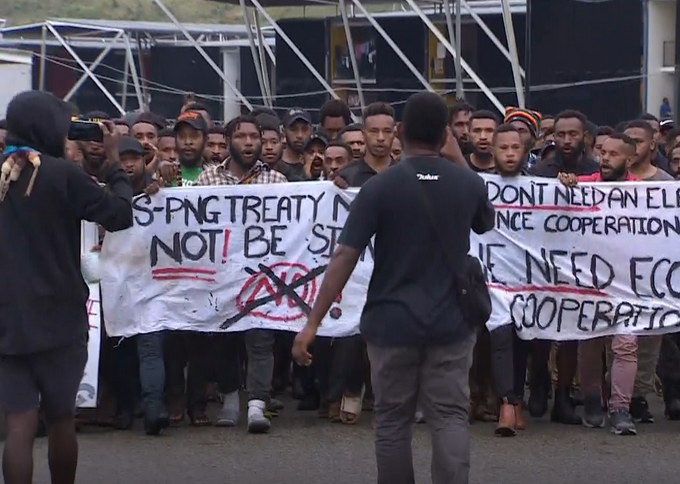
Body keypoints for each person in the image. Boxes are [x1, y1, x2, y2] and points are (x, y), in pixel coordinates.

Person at [293, 92, 494, 484]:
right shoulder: (468, 184)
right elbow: (485, 225)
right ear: (445, 133)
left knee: (392, 421)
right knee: (450, 416)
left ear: (399, 132)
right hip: (451, 322)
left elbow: (344, 258)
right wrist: (455, 158)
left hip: (390, 322)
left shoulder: (379, 188)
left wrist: (312, 322)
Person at [0, 90, 132, 484]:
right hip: (60, 317)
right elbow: (119, 213)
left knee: (19, 427)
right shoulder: (63, 175)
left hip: (6, 321)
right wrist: (113, 163)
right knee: (60, 421)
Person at [196, 115, 287, 433]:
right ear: (229, 141)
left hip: (262, 275)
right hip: (221, 276)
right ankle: (231, 397)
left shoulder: (277, 182)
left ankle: (258, 404)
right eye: (241, 136)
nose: (248, 142)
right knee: (222, 337)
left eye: (254, 136)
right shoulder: (207, 181)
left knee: (262, 337)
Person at [557, 133, 639, 435]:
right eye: (603, 152)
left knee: (626, 344)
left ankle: (620, 409)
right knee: (589, 342)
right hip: (589, 280)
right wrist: (565, 188)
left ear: (629, 160)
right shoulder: (582, 185)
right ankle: (592, 401)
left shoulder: (646, 193)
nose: (605, 158)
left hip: (630, 282)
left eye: (614, 154)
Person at [529, 109, 599, 425]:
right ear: (551, 137)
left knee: (571, 332)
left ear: (584, 136)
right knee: (542, 330)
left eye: (573, 134)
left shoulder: (597, 173)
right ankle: (540, 379)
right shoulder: (540, 172)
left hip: (582, 263)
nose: (567, 140)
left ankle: (563, 397)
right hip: (545, 261)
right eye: (561, 135)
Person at [275, 108, 312, 181]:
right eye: (293, 129)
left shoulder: (317, 164)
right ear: (283, 131)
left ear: (311, 131)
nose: (299, 135)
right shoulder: (274, 165)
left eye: (304, 129)